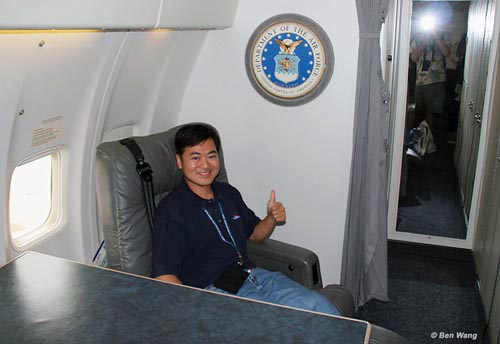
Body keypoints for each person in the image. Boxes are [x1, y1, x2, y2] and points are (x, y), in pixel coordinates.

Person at [151, 123, 339, 315]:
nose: (205, 165)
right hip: (216, 291)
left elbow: (255, 234)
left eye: (212, 156)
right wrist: (197, 311)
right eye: (195, 157)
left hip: (254, 276)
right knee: (280, 324)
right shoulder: (172, 210)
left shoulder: (228, 193)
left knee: (321, 308)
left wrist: (271, 218)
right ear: (179, 161)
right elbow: (163, 275)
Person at [410, 30, 451, 154]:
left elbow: (447, 53)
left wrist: (438, 38)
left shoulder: (442, 36)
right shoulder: (417, 37)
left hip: (435, 80)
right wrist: (423, 42)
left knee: (430, 112)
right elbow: (414, 58)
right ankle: (411, 138)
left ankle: (428, 140)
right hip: (420, 80)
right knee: (414, 110)